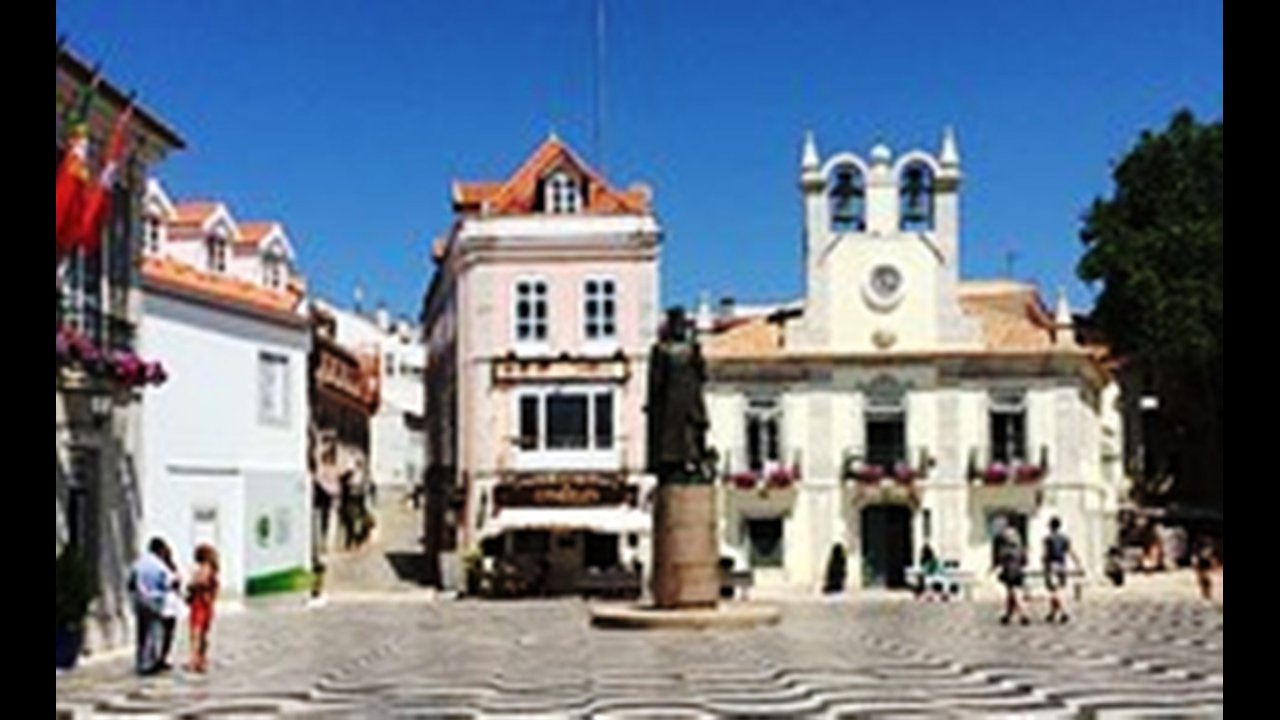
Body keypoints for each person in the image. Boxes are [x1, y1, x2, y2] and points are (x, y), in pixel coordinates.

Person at [128, 539, 172, 676]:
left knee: (141, 631)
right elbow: (168, 583)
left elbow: (130, 583)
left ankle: (140, 661)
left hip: (139, 600)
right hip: (155, 600)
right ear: (159, 550)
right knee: (153, 632)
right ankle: (148, 663)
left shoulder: (139, 563)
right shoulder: (160, 566)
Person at [186, 545, 220, 674]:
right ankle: (202, 659)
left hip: (199, 604)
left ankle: (194, 661)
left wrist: (191, 584)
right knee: (203, 634)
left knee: (196, 634)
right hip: (207, 606)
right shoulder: (213, 570)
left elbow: (201, 583)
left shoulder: (204, 568)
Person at [1043, 518, 1083, 624]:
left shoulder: (1048, 539)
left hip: (1052, 565)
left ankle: (1064, 612)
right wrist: (1078, 563)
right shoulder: (1065, 538)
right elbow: (1070, 551)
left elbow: (1045, 554)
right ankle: (1052, 613)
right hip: (1062, 565)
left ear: (1050, 526)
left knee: (1054, 590)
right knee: (1059, 589)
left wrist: (1044, 564)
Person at [994, 527, 1030, 626]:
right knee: (1011, 594)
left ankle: (1023, 614)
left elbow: (1000, 560)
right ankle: (1007, 615)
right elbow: (1025, 561)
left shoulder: (1005, 549)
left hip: (1009, 572)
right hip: (1018, 571)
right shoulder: (1020, 548)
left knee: (1014, 593)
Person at [157, 545, 184, 672]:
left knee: (168, 632)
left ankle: (164, 656)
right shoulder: (161, 568)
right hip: (165, 602)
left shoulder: (171, 568)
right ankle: (161, 656)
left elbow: (177, 584)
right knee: (165, 632)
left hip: (169, 603)